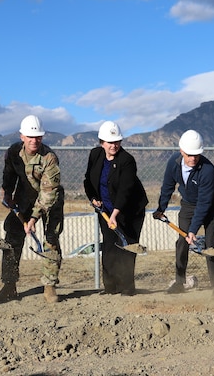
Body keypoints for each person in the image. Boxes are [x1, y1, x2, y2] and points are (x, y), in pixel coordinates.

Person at [0, 115, 64, 303]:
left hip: (50, 201)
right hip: (24, 198)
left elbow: (48, 193)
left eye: (38, 137)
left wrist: (32, 219)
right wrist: (7, 193)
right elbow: (8, 176)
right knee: (12, 239)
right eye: (30, 137)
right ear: (22, 136)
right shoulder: (13, 152)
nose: (34, 140)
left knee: (51, 240)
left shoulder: (49, 158)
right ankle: (9, 286)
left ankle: (49, 286)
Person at [153, 130, 214, 295]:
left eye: (197, 155)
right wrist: (161, 208)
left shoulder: (207, 170)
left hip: (211, 204)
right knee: (182, 241)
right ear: (181, 151)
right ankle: (179, 282)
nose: (193, 158)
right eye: (190, 154)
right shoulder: (173, 163)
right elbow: (167, 186)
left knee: (210, 241)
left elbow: (204, 203)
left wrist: (193, 230)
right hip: (188, 203)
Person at [84, 121, 148, 296]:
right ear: (102, 142)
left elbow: (125, 190)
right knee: (110, 246)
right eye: (110, 142)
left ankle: (127, 287)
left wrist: (116, 213)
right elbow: (88, 180)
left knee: (126, 246)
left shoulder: (127, 160)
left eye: (117, 141)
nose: (114, 145)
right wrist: (93, 198)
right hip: (105, 209)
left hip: (129, 211)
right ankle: (110, 287)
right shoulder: (95, 155)